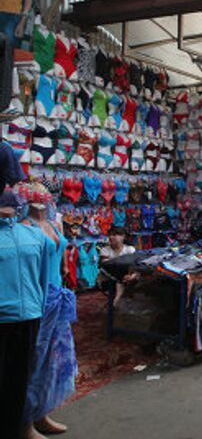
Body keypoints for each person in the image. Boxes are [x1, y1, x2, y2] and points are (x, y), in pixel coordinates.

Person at [19, 188, 77, 439]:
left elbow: (61, 252)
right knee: (34, 359)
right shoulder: (23, 225)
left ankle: (41, 413)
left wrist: (65, 266)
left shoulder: (55, 223)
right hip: (37, 297)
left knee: (55, 357)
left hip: (57, 294)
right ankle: (24, 422)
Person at [0, 191, 51, 439]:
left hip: (29, 315)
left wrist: (37, 307)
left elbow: (42, 276)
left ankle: (15, 430)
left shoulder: (34, 236)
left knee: (20, 379)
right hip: (2, 317)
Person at [100, 226, 137, 307]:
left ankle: (116, 300)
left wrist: (132, 275)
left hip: (128, 274)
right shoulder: (105, 250)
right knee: (118, 278)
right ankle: (116, 300)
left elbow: (134, 265)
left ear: (123, 237)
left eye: (114, 235)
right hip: (110, 275)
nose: (111, 237)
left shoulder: (130, 249)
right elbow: (106, 266)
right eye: (109, 235)